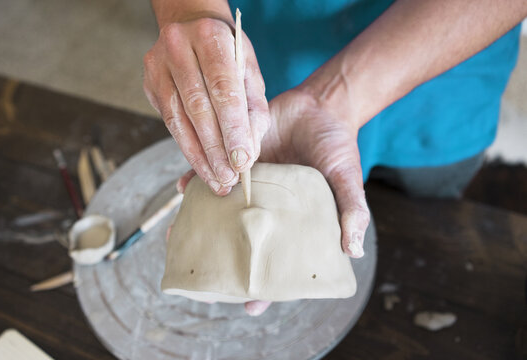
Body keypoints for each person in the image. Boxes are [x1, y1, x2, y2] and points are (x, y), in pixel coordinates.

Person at [143, 0, 527, 315]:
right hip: (268, 49)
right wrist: (189, 12)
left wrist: (338, 96)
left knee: (425, 224)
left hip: (442, 63)